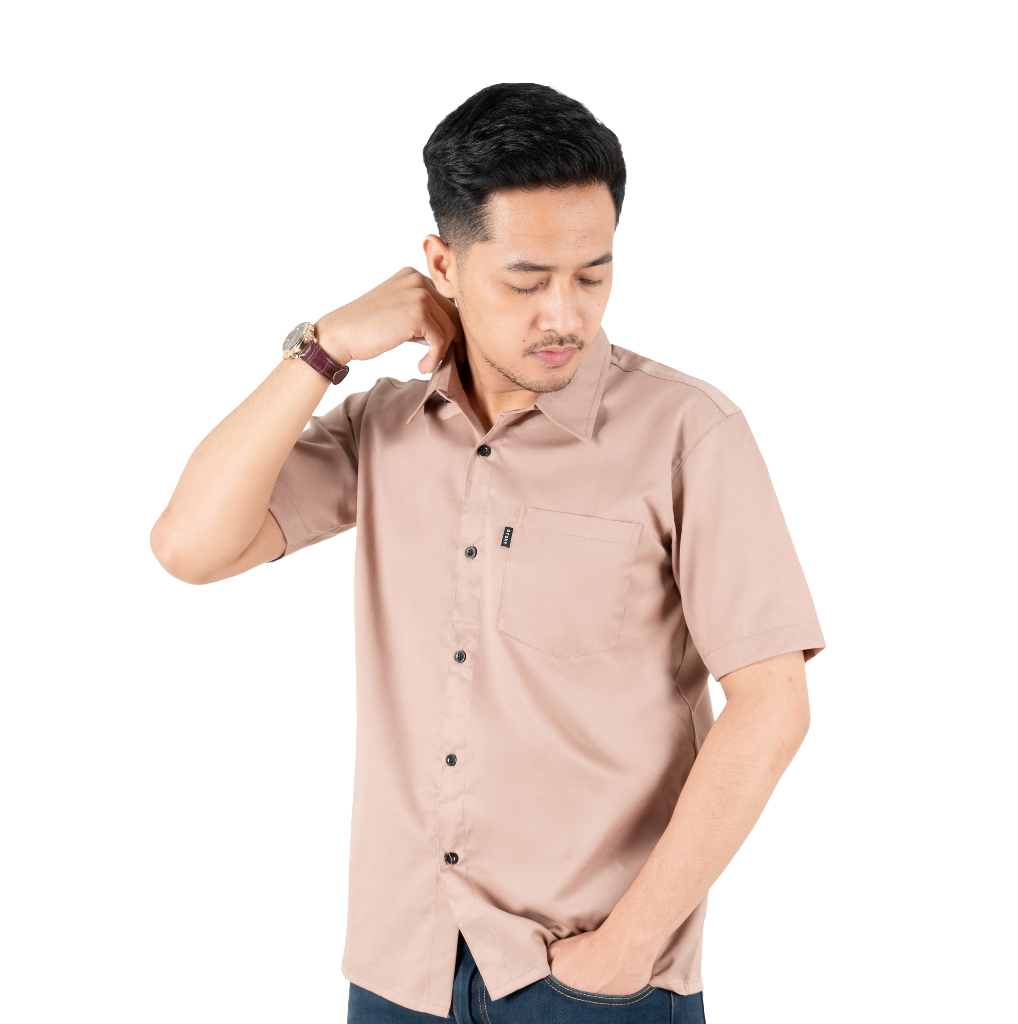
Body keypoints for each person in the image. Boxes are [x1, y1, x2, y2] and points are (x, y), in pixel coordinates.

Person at [151, 83, 825, 1023]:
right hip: (402, 969)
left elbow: (772, 703)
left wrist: (627, 948)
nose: (564, 315)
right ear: (444, 264)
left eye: (592, 275)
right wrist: (323, 350)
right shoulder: (386, 429)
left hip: (591, 980)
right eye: (525, 280)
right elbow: (188, 546)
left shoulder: (688, 432)